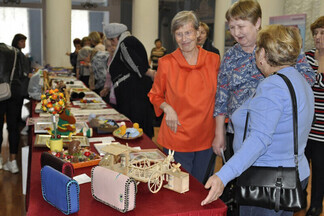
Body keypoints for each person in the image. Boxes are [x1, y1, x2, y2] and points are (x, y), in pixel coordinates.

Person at [201, 24, 314, 216]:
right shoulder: (299, 80)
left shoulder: (273, 86)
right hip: (295, 175)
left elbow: (259, 140)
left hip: (267, 182)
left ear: (263, 53)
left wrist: (223, 175)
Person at [212, 0, 315, 159]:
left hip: (275, 133)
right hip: (238, 133)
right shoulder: (230, 56)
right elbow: (222, 96)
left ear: (257, 22)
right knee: (238, 179)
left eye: (241, 26)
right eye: (231, 27)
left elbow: (308, 78)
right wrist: (219, 133)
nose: (235, 32)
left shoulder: (280, 47)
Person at [148, 11, 220, 183]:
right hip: (177, 137)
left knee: (201, 189)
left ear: (197, 32)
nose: (184, 38)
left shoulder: (214, 60)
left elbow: (221, 99)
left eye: (188, 32)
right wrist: (167, 107)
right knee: (178, 192)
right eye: (179, 34)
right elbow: (155, 94)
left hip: (206, 137)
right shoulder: (166, 63)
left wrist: (220, 133)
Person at [104, 23, 155, 138]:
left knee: (135, 125)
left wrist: (148, 72)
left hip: (133, 94)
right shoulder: (129, 41)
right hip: (133, 93)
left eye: (112, 40)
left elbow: (135, 65)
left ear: (117, 37)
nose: (112, 44)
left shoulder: (124, 43)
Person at [0, 42, 30, 173]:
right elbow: (23, 73)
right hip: (15, 91)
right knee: (13, 127)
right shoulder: (16, 52)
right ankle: (13, 162)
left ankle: (0, 161)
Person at [304, 16, 324, 216]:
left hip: (323, 131)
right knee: (300, 165)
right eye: (316, 33)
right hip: (306, 126)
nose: (318, 37)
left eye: (322, 33)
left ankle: (316, 204)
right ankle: (299, 198)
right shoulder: (307, 56)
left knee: (320, 169)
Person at [100, 38, 117, 107]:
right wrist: (106, 88)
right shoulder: (109, 58)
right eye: (108, 46)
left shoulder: (119, 57)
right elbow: (108, 75)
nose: (112, 48)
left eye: (113, 45)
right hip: (112, 91)